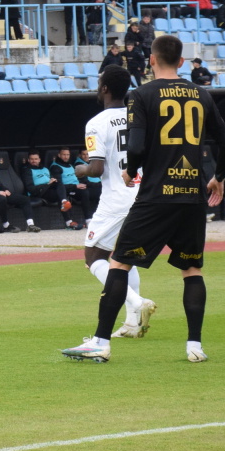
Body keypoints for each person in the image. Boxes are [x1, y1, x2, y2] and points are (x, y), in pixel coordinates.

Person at [62, 34, 225, 364]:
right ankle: (194, 346)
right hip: (192, 194)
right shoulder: (201, 94)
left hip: (155, 194)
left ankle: (100, 341)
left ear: (151, 61)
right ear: (182, 62)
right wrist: (219, 178)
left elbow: (137, 147)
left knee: (118, 262)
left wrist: (130, 170)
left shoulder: (142, 95)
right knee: (192, 269)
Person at [74, 66, 157, 338]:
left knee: (93, 257)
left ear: (105, 88)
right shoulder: (140, 117)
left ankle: (136, 302)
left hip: (116, 200)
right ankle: (132, 323)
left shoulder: (97, 122)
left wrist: (81, 169)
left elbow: (96, 169)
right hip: (144, 197)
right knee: (125, 258)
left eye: (100, 83)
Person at [21, 150, 82, 230]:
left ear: (39, 160)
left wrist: (53, 181)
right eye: (32, 159)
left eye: (36, 159)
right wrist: (48, 184)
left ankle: (64, 202)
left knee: (59, 184)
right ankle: (69, 221)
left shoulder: (45, 169)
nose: (34, 161)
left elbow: (52, 180)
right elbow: (31, 189)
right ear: (28, 160)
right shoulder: (27, 170)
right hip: (39, 192)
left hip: (49, 189)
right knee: (60, 195)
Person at [50, 148, 93, 224]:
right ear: (59, 155)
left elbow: (79, 178)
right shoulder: (55, 167)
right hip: (65, 190)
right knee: (64, 197)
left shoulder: (70, 165)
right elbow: (59, 185)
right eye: (64, 155)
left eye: (67, 155)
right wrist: (75, 186)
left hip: (75, 188)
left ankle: (88, 219)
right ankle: (69, 222)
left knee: (86, 191)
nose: (66, 157)